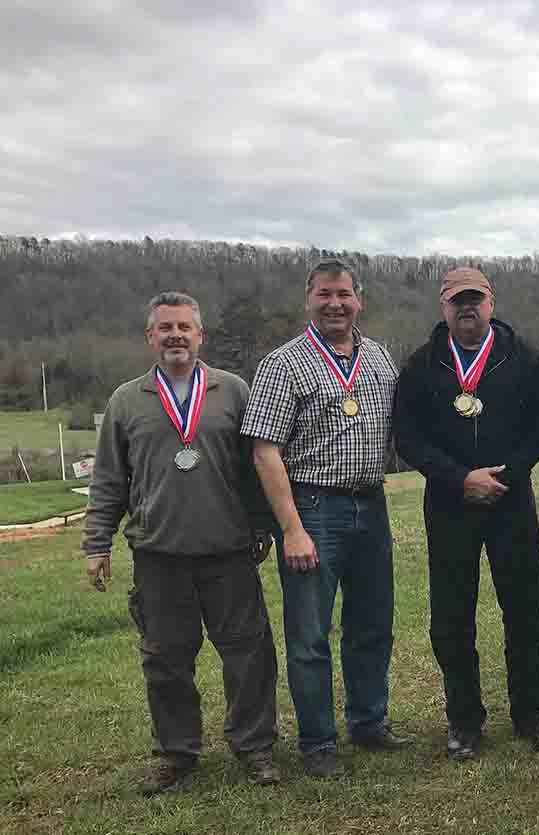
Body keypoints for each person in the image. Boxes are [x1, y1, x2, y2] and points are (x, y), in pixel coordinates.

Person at [83, 291, 279, 795]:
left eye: (184, 327)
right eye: (165, 327)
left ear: (200, 336)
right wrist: (96, 542)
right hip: (158, 553)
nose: (175, 336)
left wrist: (263, 524)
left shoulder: (233, 390)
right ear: (150, 337)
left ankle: (254, 746)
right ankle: (176, 753)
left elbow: (254, 466)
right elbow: (109, 479)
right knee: (166, 659)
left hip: (228, 550)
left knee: (248, 655)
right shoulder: (127, 400)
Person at [241, 259, 406, 777]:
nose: (335, 303)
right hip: (313, 506)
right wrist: (291, 527)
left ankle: (369, 722)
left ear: (361, 299)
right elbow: (265, 451)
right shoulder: (283, 363)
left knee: (373, 623)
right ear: (307, 299)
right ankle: (317, 743)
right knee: (311, 634)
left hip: (371, 504)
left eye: (344, 294)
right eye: (324, 294)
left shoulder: (380, 359)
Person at [392, 267, 539, 760]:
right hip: (449, 506)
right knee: (451, 618)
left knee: (525, 614)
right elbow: (409, 439)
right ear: (443, 307)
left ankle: (530, 714)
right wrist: (459, 478)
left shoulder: (522, 358)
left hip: (511, 503)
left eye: (475, 299)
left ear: (491, 302)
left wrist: (507, 474)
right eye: (457, 300)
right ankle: (464, 721)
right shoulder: (422, 366)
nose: (467, 307)